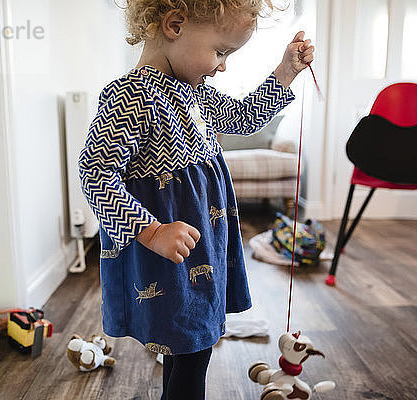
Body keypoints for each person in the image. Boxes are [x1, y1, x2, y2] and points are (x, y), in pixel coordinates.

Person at [79, 1, 314, 398]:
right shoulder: (130, 96)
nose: (222, 66)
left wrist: (286, 72)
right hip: (168, 250)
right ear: (174, 25)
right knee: (190, 343)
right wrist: (151, 231)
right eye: (220, 52)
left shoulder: (194, 91)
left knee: (190, 341)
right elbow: (96, 173)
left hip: (204, 241)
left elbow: (244, 117)